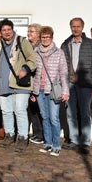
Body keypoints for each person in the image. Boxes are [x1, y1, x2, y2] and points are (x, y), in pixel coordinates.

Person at [60, 17, 92, 155]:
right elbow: (62, 66)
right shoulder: (66, 44)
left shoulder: (90, 44)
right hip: (70, 83)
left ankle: (84, 142)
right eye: (73, 26)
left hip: (86, 84)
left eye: (78, 26)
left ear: (82, 27)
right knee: (70, 113)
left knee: (85, 113)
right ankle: (73, 140)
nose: (75, 29)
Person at [0, 19, 36, 152]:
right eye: (4, 30)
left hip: (20, 84)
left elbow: (32, 60)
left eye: (8, 29)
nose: (6, 32)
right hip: (3, 83)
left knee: (20, 110)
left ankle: (23, 137)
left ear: (12, 30)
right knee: (6, 111)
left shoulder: (22, 42)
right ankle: (9, 134)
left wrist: (25, 69)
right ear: (0, 32)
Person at [32, 26, 69, 157]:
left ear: (52, 38)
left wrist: (65, 92)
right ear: (40, 38)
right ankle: (47, 143)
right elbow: (33, 73)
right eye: (43, 37)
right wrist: (33, 92)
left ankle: (56, 145)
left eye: (48, 37)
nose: (45, 39)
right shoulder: (36, 52)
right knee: (45, 117)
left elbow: (64, 73)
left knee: (54, 118)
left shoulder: (59, 52)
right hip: (39, 90)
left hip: (53, 90)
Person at [27, 23, 44, 145]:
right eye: (28, 31)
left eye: (31, 31)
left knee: (39, 110)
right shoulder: (29, 46)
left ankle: (40, 134)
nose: (29, 33)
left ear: (38, 34)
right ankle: (36, 133)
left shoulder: (40, 48)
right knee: (32, 110)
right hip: (28, 83)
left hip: (38, 83)